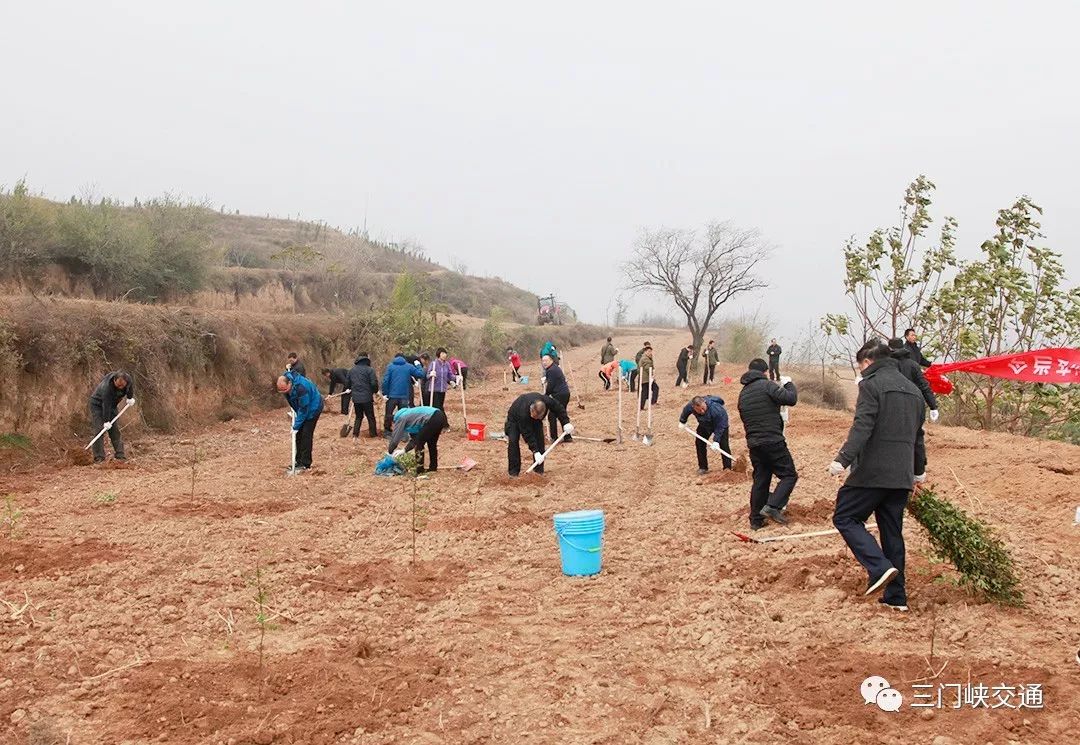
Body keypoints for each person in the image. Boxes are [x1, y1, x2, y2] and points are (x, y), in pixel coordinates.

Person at [829, 339, 926, 611]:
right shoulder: (914, 391)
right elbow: (918, 437)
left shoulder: (871, 386)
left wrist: (842, 460)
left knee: (846, 516)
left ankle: (879, 566)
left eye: (860, 366)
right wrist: (919, 472)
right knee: (892, 532)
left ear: (868, 362)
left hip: (872, 473)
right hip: (901, 475)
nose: (860, 371)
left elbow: (863, 426)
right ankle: (897, 598)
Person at [738, 359, 799, 528]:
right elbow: (791, 399)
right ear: (765, 372)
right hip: (772, 440)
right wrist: (788, 384)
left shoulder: (743, 394)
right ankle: (773, 506)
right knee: (789, 475)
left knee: (761, 480)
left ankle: (756, 521)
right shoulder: (767, 386)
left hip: (754, 444)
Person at [888, 338, 939, 475]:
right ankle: (918, 472)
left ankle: (894, 469)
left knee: (890, 436)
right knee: (916, 437)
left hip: (891, 406)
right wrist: (933, 406)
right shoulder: (913, 365)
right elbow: (924, 386)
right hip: (913, 406)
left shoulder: (886, 365)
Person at [504, 392, 573, 477]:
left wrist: (565, 422)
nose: (535, 418)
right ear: (531, 409)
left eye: (537, 417)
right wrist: (535, 451)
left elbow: (559, 408)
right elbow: (527, 434)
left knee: (540, 440)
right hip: (514, 419)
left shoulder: (546, 401)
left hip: (532, 418)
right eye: (533, 416)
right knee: (513, 442)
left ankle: (538, 470)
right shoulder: (523, 413)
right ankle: (513, 472)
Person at [278, 371, 322, 470]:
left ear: (290, 383)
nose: (284, 392)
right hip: (303, 407)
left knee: (306, 434)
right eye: (282, 391)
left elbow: (304, 409)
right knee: (298, 435)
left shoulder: (301, 388)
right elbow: (295, 403)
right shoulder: (287, 386)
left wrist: (296, 425)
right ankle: (298, 461)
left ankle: (306, 463)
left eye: (285, 390)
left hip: (313, 408)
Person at [88, 371, 135, 463]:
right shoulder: (107, 388)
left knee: (114, 430)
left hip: (112, 405)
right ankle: (99, 457)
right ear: (114, 381)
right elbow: (106, 405)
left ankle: (120, 455)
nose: (120, 388)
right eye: (118, 386)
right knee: (99, 430)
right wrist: (106, 421)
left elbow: (130, 388)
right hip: (98, 405)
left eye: (123, 386)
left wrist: (130, 398)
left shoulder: (128, 380)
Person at [679, 395, 732, 474]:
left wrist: (716, 441)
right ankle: (703, 467)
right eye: (699, 410)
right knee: (700, 443)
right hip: (704, 424)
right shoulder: (690, 406)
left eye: (703, 408)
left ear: (704, 403)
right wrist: (682, 421)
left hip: (720, 425)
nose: (702, 411)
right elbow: (685, 412)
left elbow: (721, 426)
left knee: (724, 445)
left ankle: (727, 467)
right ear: (693, 407)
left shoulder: (716, 409)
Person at [387, 405, 448, 473]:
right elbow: (414, 439)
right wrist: (404, 450)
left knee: (420, 444)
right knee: (431, 443)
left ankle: (420, 470)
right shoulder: (411, 417)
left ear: (393, 422)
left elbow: (395, 437)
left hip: (433, 418)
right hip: (440, 415)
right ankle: (433, 468)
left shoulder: (400, 418)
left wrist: (390, 452)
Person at [382, 354, 425, 434]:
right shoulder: (408, 366)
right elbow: (420, 374)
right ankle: (402, 432)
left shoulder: (390, 366)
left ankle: (387, 431)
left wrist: (385, 393)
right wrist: (418, 365)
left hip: (392, 395)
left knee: (389, 413)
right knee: (403, 414)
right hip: (404, 395)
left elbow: (385, 381)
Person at [347, 353, 380, 438]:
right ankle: (373, 434)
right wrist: (375, 391)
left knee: (358, 417)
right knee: (370, 416)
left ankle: (355, 434)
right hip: (367, 398)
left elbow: (347, 383)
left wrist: (351, 389)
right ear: (367, 360)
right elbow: (373, 383)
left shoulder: (351, 370)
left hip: (356, 398)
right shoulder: (370, 370)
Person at [542, 354, 573, 442]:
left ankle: (554, 437)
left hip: (560, 394)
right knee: (562, 414)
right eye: (543, 361)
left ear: (551, 360)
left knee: (552, 415)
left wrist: (545, 395)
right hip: (564, 393)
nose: (544, 362)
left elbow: (551, 385)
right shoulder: (554, 368)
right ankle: (567, 436)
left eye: (546, 360)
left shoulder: (551, 370)